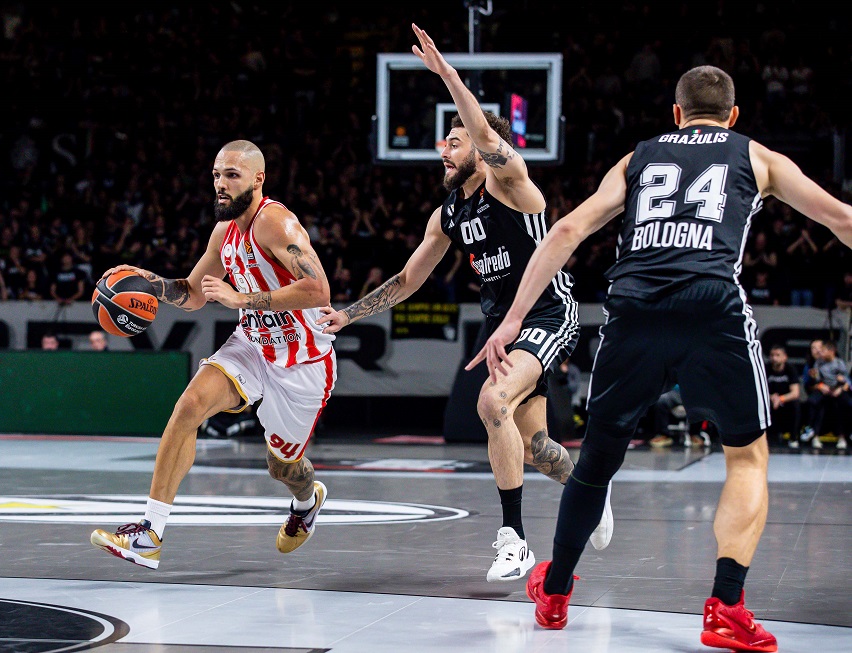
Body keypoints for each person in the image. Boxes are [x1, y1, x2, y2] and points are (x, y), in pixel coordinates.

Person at [471, 65, 851, 650]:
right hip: (712, 306)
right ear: (733, 115)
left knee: (596, 463)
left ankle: (556, 592)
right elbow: (840, 218)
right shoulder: (757, 156)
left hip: (634, 309)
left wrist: (514, 318)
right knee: (747, 458)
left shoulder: (638, 157)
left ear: (676, 114)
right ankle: (726, 607)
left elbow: (566, 231)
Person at [318, 24, 612, 585]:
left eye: (453, 143)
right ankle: (592, 490)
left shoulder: (512, 185)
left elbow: (482, 132)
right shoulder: (447, 214)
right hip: (503, 326)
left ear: (481, 148)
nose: (443, 151)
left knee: (490, 401)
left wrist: (448, 75)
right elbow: (408, 278)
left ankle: (513, 539)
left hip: (549, 312)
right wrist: (348, 314)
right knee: (536, 448)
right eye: (444, 143)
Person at [91, 140, 336, 569]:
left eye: (232, 175)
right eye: (217, 175)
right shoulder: (224, 232)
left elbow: (318, 290)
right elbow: (194, 293)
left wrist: (243, 299)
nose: (221, 184)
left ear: (258, 179)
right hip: (251, 345)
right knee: (189, 405)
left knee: (283, 467)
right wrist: (151, 284)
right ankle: (149, 534)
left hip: (302, 361)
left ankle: (306, 501)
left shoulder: (276, 222)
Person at [764, 345, 801, 449]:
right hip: (769, 399)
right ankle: (765, 437)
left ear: (785, 357)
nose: (774, 358)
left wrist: (780, 399)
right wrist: (771, 397)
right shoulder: (765, 369)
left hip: (785, 400)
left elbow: (795, 393)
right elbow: (758, 390)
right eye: (772, 355)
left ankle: (793, 438)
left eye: (777, 355)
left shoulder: (790, 369)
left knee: (796, 405)